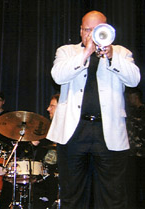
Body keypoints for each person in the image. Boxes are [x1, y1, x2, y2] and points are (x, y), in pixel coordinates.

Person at [46, 10, 140, 209]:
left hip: (108, 133)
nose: (91, 34)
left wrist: (111, 55)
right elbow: (58, 76)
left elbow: (134, 79)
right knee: (72, 195)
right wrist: (86, 52)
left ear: (107, 30)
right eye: (87, 29)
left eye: (97, 29)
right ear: (81, 31)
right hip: (73, 132)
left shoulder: (121, 52)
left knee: (112, 196)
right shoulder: (66, 51)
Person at [125, 87, 145, 208]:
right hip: (131, 155)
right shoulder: (129, 112)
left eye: (130, 96)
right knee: (132, 186)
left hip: (142, 154)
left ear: (136, 96)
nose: (128, 99)